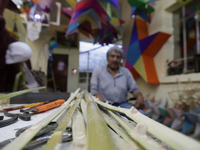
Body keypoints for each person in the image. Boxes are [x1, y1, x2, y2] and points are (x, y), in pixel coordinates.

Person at [90, 45, 145, 113]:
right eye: (112, 56)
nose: (115, 59)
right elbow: (93, 90)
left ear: (120, 60)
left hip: (122, 105)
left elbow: (134, 89)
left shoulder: (126, 72)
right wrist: (97, 96)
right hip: (104, 105)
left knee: (142, 113)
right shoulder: (98, 70)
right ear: (107, 58)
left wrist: (140, 96)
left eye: (118, 57)